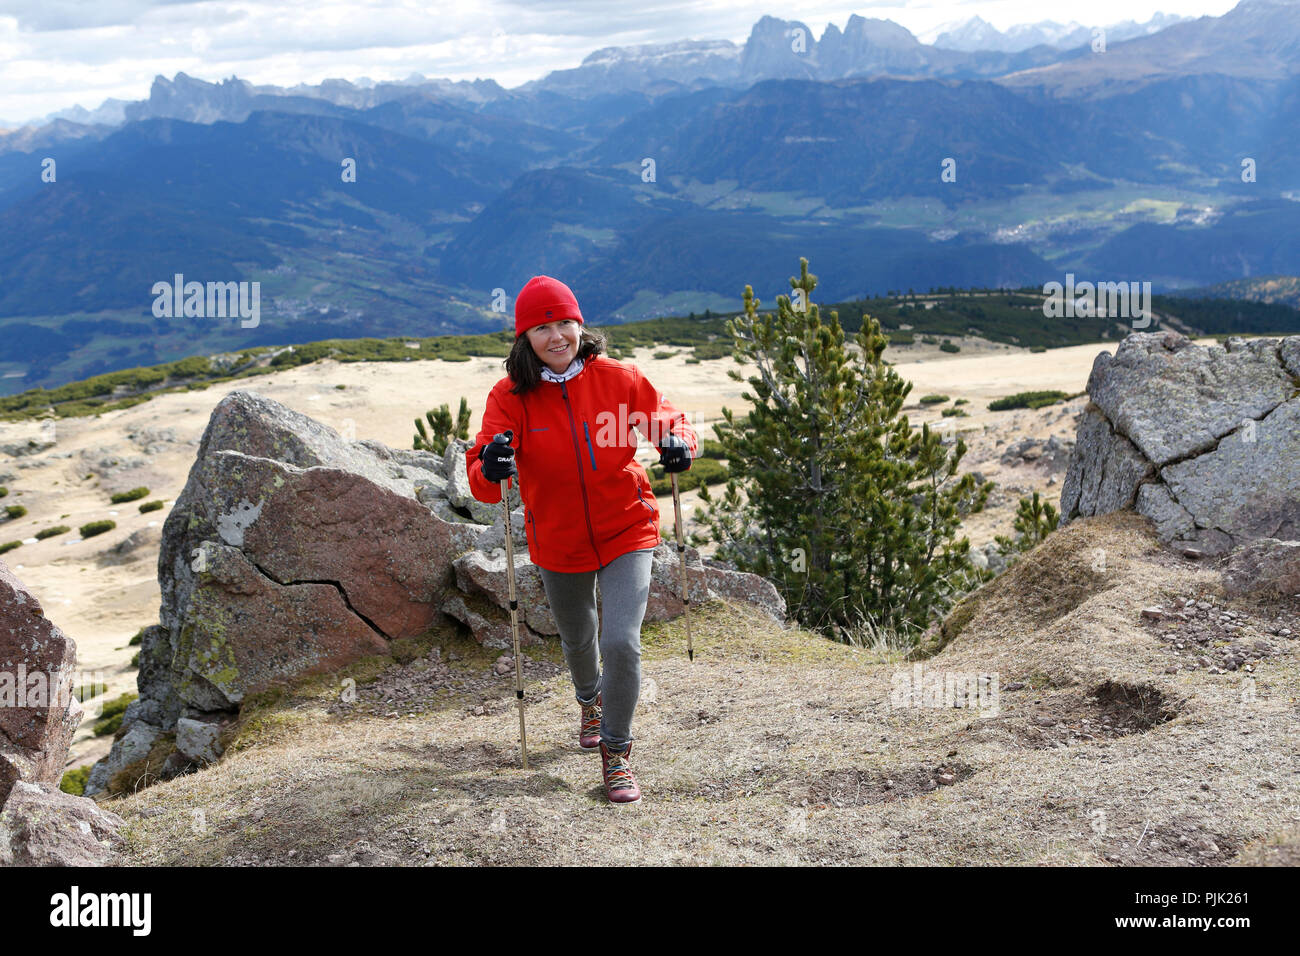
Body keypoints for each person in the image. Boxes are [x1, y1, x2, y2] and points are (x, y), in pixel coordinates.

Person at [466, 275, 697, 805]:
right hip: (558, 538)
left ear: (580, 325)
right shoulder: (509, 397)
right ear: (524, 337)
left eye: (564, 323)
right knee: (578, 639)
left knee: (622, 642)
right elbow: (481, 476)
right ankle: (589, 701)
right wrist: (491, 464)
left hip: (626, 528)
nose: (556, 335)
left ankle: (616, 753)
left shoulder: (619, 379)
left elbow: (670, 422)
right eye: (542, 327)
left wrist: (679, 442)